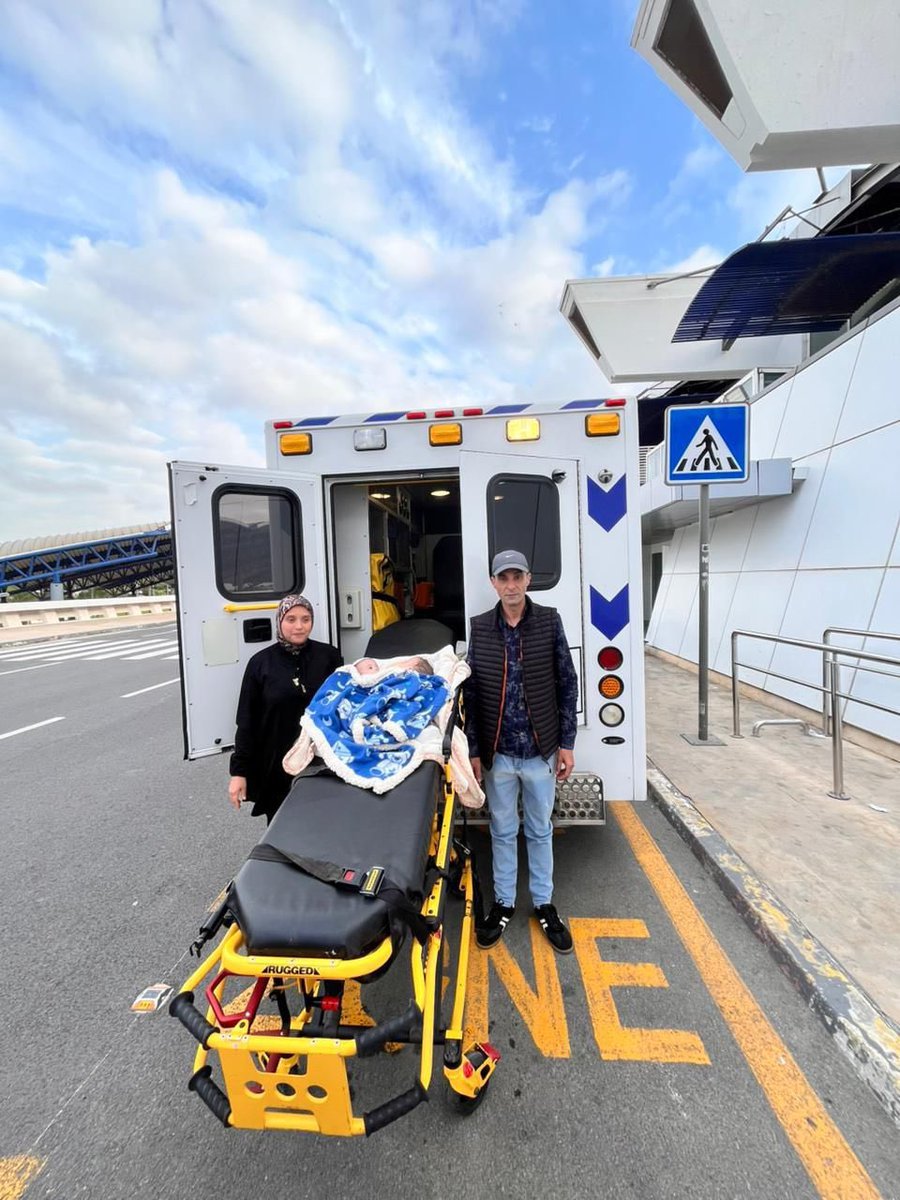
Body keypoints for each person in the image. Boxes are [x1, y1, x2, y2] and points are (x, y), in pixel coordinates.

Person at [463, 549, 578, 954]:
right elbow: (471, 694)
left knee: (540, 829)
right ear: (493, 583)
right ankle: (504, 903)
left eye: (517, 577)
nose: (511, 585)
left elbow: (567, 682)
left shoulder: (548, 621)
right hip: (498, 754)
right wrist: (474, 749)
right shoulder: (481, 627)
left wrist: (567, 742)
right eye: (503, 578)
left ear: (529, 579)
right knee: (501, 829)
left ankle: (544, 904)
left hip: (540, 750)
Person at [228, 594, 342, 822]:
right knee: (282, 827)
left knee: (325, 824)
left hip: (323, 761)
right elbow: (247, 722)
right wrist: (238, 773)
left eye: (306, 619)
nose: (299, 626)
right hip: (277, 766)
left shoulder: (329, 656)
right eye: (291, 619)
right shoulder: (261, 663)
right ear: (279, 621)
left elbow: (345, 707)